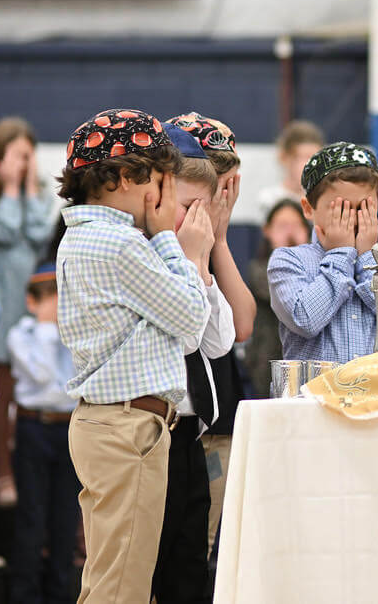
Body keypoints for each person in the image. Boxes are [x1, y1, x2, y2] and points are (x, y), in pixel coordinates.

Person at [56, 108, 211, 603]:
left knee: (112, 578)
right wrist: (170, 238)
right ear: (124, 177)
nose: (162, 198)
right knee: (121, 587)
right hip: (128, 429)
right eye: (159, 182)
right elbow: (191, 322)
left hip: (111, 426)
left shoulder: (82, 237)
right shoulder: (120, 243)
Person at [150, 123, 236, 604]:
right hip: (148, 431)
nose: (195, 220)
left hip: (189, 432)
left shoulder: (191, 250)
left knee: (188, 568)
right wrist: (188, 259)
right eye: (187, 208)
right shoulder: (146, 253)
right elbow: (181, 335)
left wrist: (200, 265)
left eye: (203, 209)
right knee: (146, 568)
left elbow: (219, 342)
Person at [168, 111, 256, 564]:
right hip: (167, 414)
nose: (219, 197)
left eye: (226, 185)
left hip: (215, 413)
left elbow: (241, 325)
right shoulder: (162, 237)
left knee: (202, 548)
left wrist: (217, 240)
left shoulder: (210, 235)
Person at [268, 142, 378, 362]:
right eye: (341, 209)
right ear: (308, 208)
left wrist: (368, 260)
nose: (353, 218)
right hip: (315, 395)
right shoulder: (288, 260)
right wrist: (341, 254)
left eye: (364, 208)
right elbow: (305, 320)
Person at [8, 262, 79, 604]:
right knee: (32, 517)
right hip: (34, 427)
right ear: (30, 302)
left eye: (58, 296)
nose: (53, 304)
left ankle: (60, 594)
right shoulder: (20, 334)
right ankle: (25, 596)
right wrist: (50, 330)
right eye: (45, 297)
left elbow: (74, 384)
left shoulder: (76, 332)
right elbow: (41, 375)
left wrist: (61, 327)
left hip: (69, 429)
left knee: (66, 516)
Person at [0, 116, 53, 506]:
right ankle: (3, 475)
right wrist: (11, 188)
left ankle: (27, 480)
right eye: (16, 157)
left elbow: (36, 234)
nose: (23, 163)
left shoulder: (40, 195)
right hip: (1, 316)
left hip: (30, 318)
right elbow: (5, 229)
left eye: (28, 157)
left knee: (27, 399)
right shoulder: (2, 199)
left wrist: (29, 186)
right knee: (1, 402)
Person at [245, 199, 311, 396]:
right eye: (282, 226)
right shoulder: (258, 269)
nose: (290, 233)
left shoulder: (318, 269)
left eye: (296, 225)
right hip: (266, 366)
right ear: (267, 231)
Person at [257, 119, 324, 220]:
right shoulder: (269, 199)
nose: (310, 165)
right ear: (284, 158)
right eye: (302, 157)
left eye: (315, 158)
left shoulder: (323, 199)